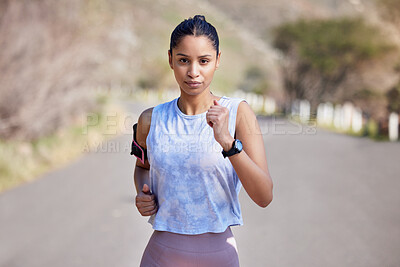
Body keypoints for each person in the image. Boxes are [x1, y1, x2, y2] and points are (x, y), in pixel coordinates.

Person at [133, 15, 273, 267]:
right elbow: (142, 167)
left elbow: (264, 196)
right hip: (160, 256)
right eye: (183, 60)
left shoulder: (239, 113)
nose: (193, 72)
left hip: (218, 257)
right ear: (170, 60)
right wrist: (143, 195)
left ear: (218, 60)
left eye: (204, 61)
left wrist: (228, 143)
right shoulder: (150, 119)